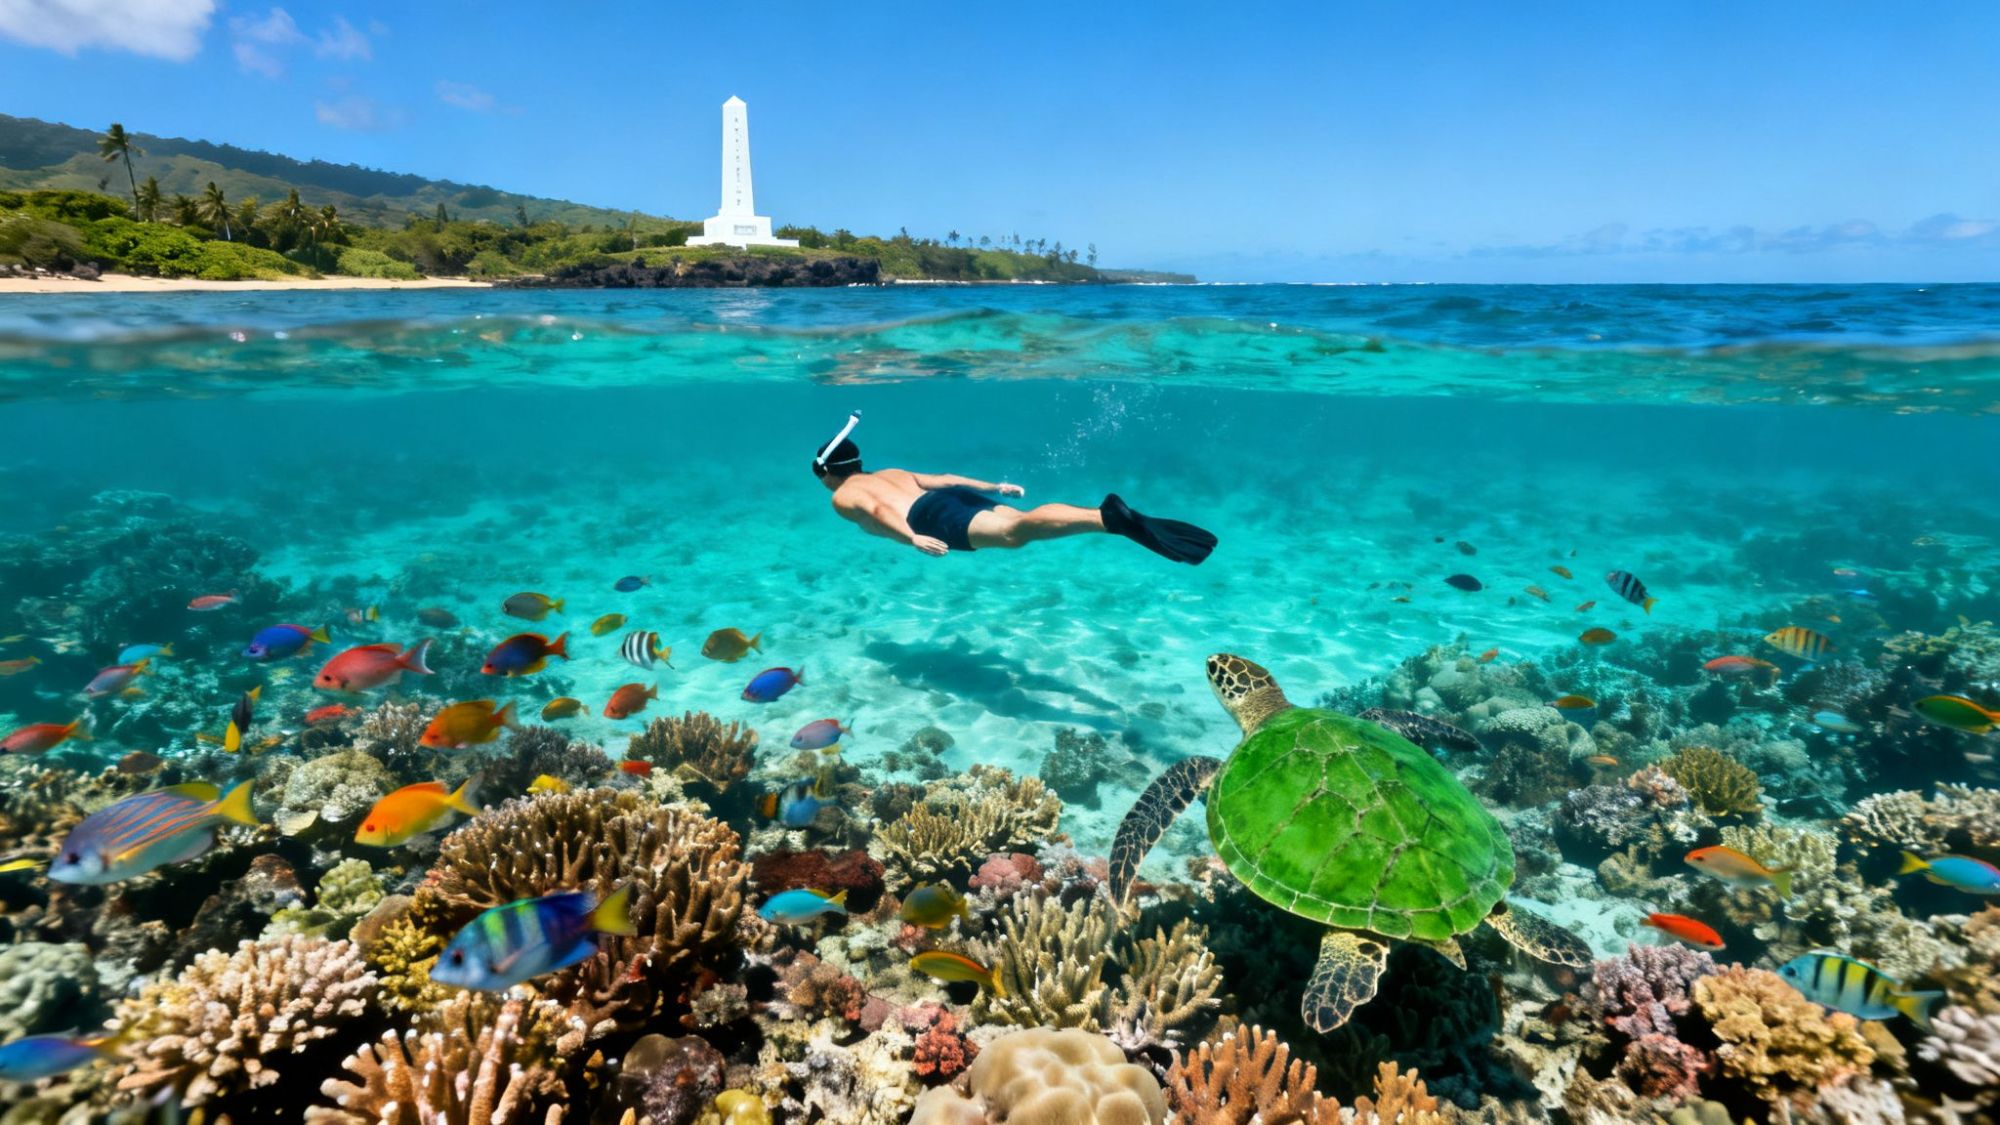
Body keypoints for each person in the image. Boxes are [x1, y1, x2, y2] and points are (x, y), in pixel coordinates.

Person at [811, 414, 1216, 564]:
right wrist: (994, 486)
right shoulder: (892, 471)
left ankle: (1108, 519)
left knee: (1013, 535)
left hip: (928, 518)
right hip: (944, 501)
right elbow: (948, 479)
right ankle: (1105, 516)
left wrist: (914, 537)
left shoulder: (842, 496)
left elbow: (879, 513)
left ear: (828, 471)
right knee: (1022, 522)